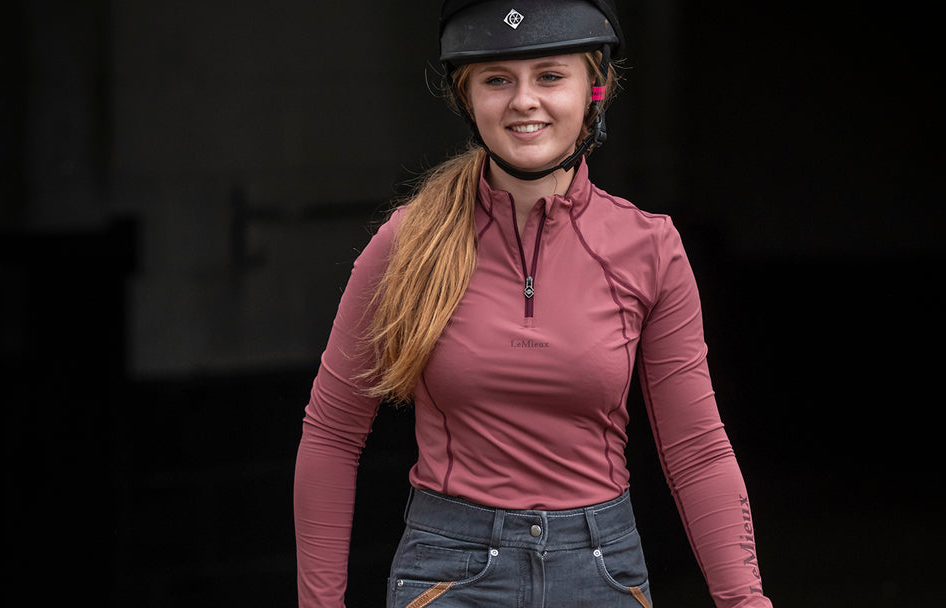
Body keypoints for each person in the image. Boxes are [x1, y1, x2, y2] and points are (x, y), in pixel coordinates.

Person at [294, 1, 774, 606]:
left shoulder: (649, 248)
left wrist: (744, 599)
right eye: (498, 79)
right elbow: (332, 434)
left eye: (550, 75)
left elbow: (696, 447)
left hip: (602, 572)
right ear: (468, 99)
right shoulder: (407, 241)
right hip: (448, 574)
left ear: (594, 88)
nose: (524, 100)